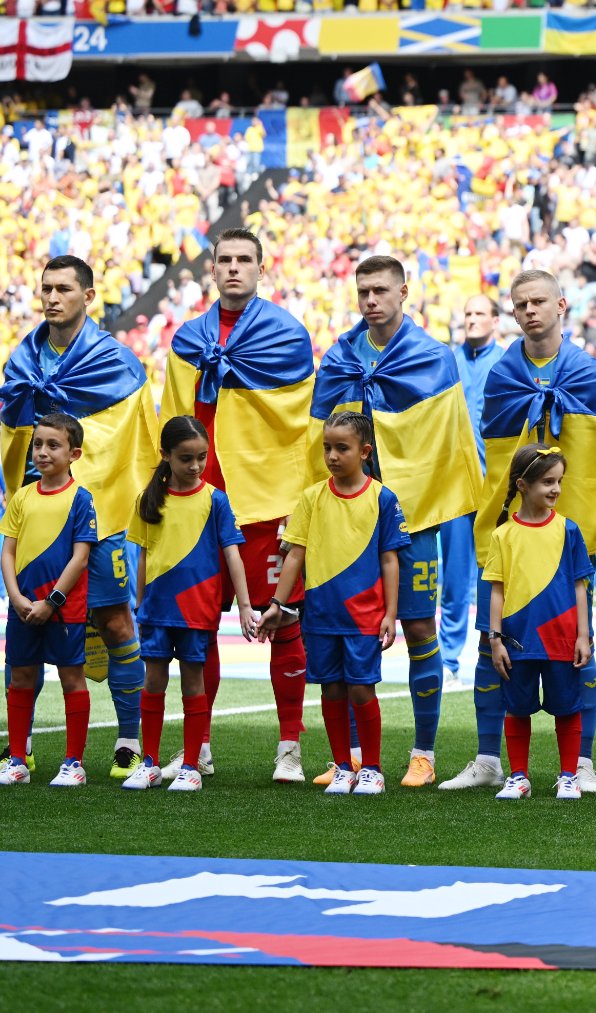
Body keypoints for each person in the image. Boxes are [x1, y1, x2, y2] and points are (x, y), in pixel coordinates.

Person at [443, 270, 596, 795]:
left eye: (539, 301)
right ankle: (487, 758)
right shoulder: (502, 373)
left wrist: (581, 526)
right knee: (490, 643)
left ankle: (581, 763)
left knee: (575, 648)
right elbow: (497, 454)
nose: (530, 311)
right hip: (506, 529)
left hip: (566, 533)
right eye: (520, 304)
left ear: (561, 304)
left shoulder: (586, 370)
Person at [312, 256, 482, 789]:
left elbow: (446, 443)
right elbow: (322, 432)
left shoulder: (433, 358)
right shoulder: (341, 355)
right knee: (345, 635)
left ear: (403, 292)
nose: (370, 300)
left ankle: (423, 752)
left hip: (412, 522)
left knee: (418, 629)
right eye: (362, 291)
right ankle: (352, 757)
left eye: (380, 290)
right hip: (347, 524)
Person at [163, 227, 316, 783]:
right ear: (212, 268)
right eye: (224, 259)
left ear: (260, 267)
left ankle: (290, 748)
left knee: (285, 620)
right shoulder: (187, 340)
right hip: (201, 505)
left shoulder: (287, 335)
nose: (233, 268)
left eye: (243, 260)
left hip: (267, 504)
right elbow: (173, 420)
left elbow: (301, 423)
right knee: (198, 630)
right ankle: (197, 746)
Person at [0, 257, 156, 782]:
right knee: (24, 626)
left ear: (88, 296)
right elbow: (12, 436)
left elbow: (133, 441)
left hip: (100, 518)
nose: (52, 297)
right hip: (37, 520)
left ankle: (129, 741)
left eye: (64, 289)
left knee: (115, 622)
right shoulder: (22, 360)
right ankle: (21, 750)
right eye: (46, 288)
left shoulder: (117, 362)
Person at [258, 411, 407, 796]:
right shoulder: (311, 497)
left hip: (364, 617)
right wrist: (278, 602)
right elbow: (294, 554)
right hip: (321, 616)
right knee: (331, 690)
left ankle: (372, 768)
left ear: (365, 452)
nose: (333, 456)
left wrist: (391, 613)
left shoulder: (383, 498)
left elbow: (391, 559)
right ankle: (343, 766)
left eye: (342, 448)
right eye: (327, 448)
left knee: (361, 690)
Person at [122, 417, 258, 792]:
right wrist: (140, 603)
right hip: (157, 610)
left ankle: (191, 766)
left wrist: (245, 606)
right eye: (186, 458)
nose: (195, 465)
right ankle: (149, 763)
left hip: (198, 610)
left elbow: (232, 555)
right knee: (153, 681)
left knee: (193, 683)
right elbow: (145, 555)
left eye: (201, 457)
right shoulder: (148, 499)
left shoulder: (215, 499)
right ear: (165, 455)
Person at [486, 444, 594, 803]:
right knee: (517, 709)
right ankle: (518, 777)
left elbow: (580, 586)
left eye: (559, 481)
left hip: (562, 640)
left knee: (567, 707)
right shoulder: (503, 535)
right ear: (522, 485)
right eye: (548, 481)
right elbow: (497, 591)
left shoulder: (569, 530)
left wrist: (583, 635)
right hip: (518, 640)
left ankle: (568, 776)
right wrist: (495, 639)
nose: (556, 489)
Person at [0, 415, 100, 787]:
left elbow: (81, 557)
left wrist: (51, 601)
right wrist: (16, 597)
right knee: (21, 677)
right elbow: (7, 552)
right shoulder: (22, 496)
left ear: (74, 453)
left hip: (65, 609)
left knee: (71, 678)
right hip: (23, 607)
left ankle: (74, 763)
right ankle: (17, 760)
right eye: (38, 444)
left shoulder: (81, 499)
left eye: (52, 445)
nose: (42, 452)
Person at [439, 294, 508, 693]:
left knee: (496, 577)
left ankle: (496, 651)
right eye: (466, 313)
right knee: (454, 579)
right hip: (456, 488)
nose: (471, 319)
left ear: (495, 321)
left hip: (496, 489)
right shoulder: (448, 360)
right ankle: (449, 663)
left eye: (479, 313)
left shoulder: (507, 362)